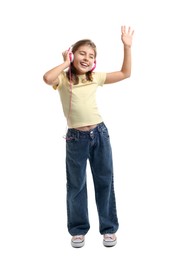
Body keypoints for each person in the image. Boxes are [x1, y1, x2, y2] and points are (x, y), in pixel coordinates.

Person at [43, 25, 134, 248]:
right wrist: (65, 62)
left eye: (91, 55)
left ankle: (109, 229)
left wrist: (127, 47)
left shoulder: (96, 77)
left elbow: (125, 73)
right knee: (76, 184)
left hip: (100, 134)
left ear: (94, 61)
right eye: (82, 53)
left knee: (104, 181)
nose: (87, 57)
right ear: (73, 55)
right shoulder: (63, 79)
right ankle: (78, 229)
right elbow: (47, 78)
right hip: (75, 138)